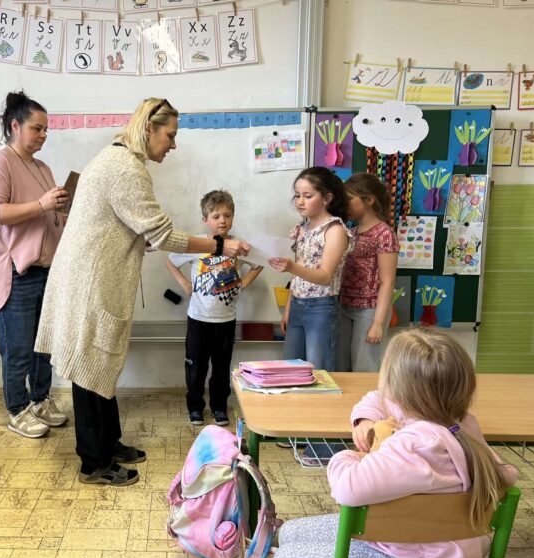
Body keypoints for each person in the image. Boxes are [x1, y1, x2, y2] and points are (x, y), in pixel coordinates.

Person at [35, 97, 250, 487]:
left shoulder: (118, 160)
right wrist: (220, 246)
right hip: (90, 283)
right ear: (149, 128)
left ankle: (109, 443)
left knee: (101, 366)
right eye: (170, 135)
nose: (173, 145)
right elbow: (164, 234)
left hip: (93, 278)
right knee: (90, 368)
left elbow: (125, 225)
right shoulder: (125, 168)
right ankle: (93, 463)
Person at [273, 328, 518, 558]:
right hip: (436, 550)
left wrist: (353, 456)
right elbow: (376, 398)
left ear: (398, 391)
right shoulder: (462, 424)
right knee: (290, 532)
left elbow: (346, 488)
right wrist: (365, 420)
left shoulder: (416, 445)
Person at [0, 90, 69, 439]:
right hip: (17, 272)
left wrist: (60, 206)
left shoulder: (42, 167)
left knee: (43, 346)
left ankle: (40, 400)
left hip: (47, 270)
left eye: (46, 130)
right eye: (37, 128)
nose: (43, 135)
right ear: (15, 126)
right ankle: (17, 409)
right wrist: (43, 204)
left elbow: (47, 214)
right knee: (17, 349)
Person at [166, 189, 263, 427]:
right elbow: (170, 261)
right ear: (205, 219)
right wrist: (185, 284)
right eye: (216, 216)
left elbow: (259, 264)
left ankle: (219, 407)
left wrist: (242, 284)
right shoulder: (198, 244)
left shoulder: (237, 246)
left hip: (226, 320)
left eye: (227, 215)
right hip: (198, 319)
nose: (222, 220)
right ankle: (195, 407)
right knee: (196, 368)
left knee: (221, 368)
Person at [269, 167, 352, 371]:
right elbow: (296, 278)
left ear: (327, 198)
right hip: (297, 304)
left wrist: (292, 267)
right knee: (291, 367)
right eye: (297, 195)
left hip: (321, 307)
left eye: (308, 196)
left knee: (319, 369)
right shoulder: (301, 228)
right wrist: (289, 309)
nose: (300, 201)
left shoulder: (334, 230)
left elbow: (325, 276)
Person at [337, 173, 399, 372]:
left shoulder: (384, 234)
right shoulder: (352, 232)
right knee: (340, 367)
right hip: (345, 306)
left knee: (364, 368)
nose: (345, 205)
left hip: (369, 310)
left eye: (349, 200)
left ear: (369, 200)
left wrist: (378, 323)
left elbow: (387, 281)